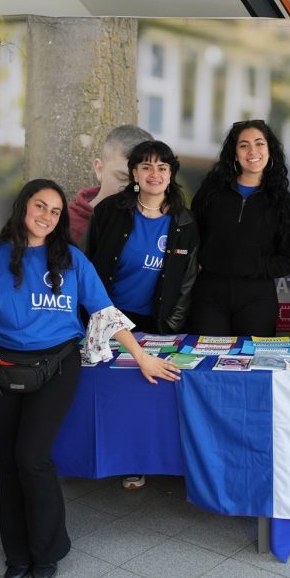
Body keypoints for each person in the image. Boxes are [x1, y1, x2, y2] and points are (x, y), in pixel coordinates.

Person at [0, 179, 180, 578]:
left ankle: (48, 550)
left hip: (57, 366)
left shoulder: (71, 259)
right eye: (39, 206)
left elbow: (104, 310)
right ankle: (17, 554)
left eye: (55, 211)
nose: (46, 216)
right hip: (0, 368)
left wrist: (141, 356)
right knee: (8, 462)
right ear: (22, 206)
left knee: (33, 457)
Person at [84, 140, 199, 490]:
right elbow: (90, 268)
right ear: (134, 173)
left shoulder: (184, 221)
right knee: (116, 393)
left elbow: (187, 280)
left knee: (149, 391)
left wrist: (171, 327)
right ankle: (121, 459)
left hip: (157, 322)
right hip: (113, 318)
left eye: (162, 167)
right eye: (146, 167)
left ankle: (148, 459)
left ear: (170, 174)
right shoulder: (110, 212)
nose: (154, 174)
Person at [189, 120, 290, 336]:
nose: (252, 151)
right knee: (207, 361)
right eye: (244, 145)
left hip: (257, 296)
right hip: (210, 294)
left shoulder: (282, 201)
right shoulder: (211, 192)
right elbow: (193, 236)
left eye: (259, 144)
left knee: (251, 362)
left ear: (270, 151)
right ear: (234, 152)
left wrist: (255, 265)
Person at [69, 125, 154, 244]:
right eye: (123, 177)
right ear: (99, 169)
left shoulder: (157, 226)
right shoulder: (64, 224)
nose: (131, 188)